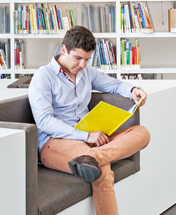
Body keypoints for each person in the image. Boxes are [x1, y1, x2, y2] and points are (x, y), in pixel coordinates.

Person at [28, 26, 150, 215]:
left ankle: (91, 158)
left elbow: (114, 85)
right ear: (63, 50)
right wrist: (85, 136)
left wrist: (133, 90)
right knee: (102, 170)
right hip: (56, 142)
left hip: (89, 138)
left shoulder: (86, 72)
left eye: (87, 59)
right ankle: (94, 159)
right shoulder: (43, 77)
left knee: (142, 133)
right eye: (78, 58)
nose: (82, 64)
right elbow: (44, 121)